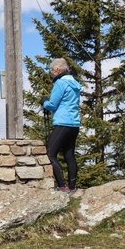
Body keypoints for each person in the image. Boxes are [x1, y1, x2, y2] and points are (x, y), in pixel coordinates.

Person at [43, 57, 81, 192]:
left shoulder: (60, 83)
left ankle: (62, 186)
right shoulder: (75, 84)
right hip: (74, 124)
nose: (51, 73)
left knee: (50, 153)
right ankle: (72, 187)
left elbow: (52, 105)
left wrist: (44, 102)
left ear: (58, 70)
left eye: (52, 70)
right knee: (69, 155)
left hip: (62, 123)